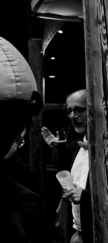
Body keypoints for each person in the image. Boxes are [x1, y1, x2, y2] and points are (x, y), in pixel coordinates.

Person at [41, 89, 93, 243]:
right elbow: (63, 168)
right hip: (79, 232)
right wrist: (55, 147)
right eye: (69, 111)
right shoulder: (77, 147)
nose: (73, 116)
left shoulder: (104, 150)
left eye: (79, 109)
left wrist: (85, 196)